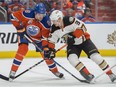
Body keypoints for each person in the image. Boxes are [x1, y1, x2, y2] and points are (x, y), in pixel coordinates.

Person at [46, 10, 116, 82]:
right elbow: (51, 41)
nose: (53, 23)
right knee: (72, 59)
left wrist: (73, 36)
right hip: (72, 45)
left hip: (84, 41)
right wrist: (51, 50)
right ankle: (88, 75)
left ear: (60, 19)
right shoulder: (54, 29)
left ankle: (110, 74)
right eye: (52, 21)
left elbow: (83, 27)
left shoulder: (70, 20)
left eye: (54, 21)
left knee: (96, 57)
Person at [9, 3, 64, 81]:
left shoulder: (46, 22)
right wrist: (19, 27)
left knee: (46, 55)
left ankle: (55, 71)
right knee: (22, 49)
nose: (41, 16)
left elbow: (45, 37)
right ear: (35, 12)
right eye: (39, 14)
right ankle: (13, 71)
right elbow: (12, 17)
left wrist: (45, 48)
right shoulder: (27, 13)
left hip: (39, 39)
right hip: (25, 35)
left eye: (43, 14)